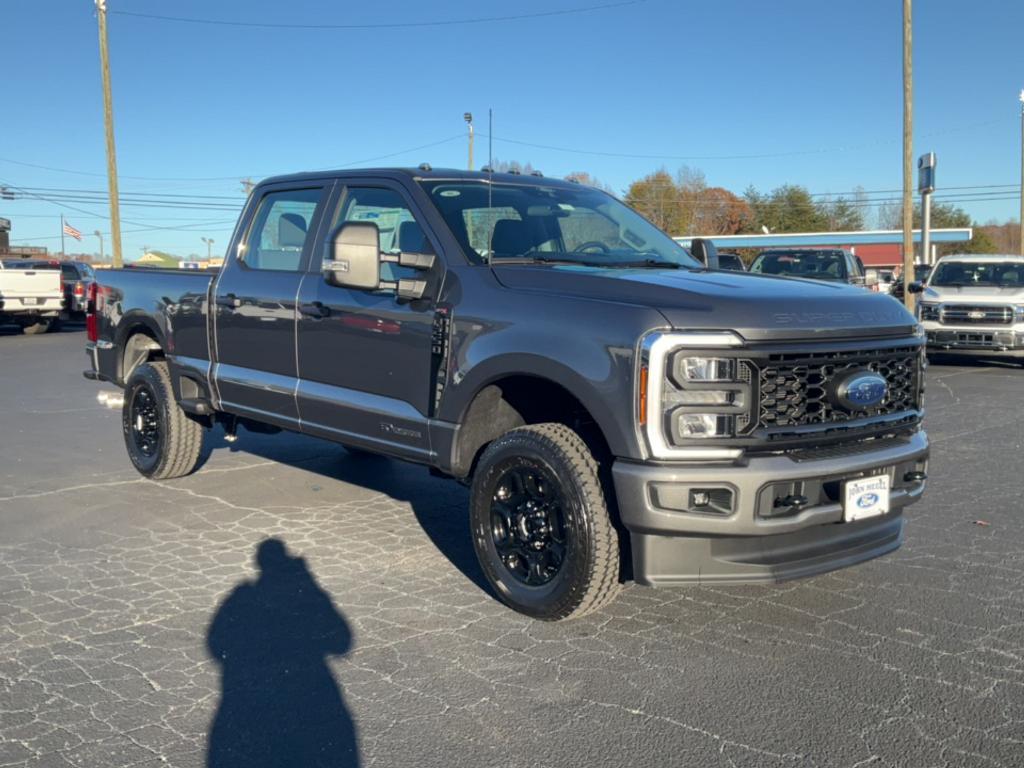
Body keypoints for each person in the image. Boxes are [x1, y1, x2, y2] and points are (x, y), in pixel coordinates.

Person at [206, 539, 359, 767]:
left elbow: (216, 644)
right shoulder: (309, 594)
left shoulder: (241, 597)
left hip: (252, 697)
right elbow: (341, 642)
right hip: (310, 692)